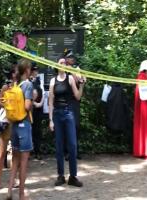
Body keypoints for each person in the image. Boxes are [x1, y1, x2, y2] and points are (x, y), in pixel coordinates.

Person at [48, 58, 85, 187]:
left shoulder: (70, 79)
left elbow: (78, 96)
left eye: (64, 63)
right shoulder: (53, 81)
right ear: (57, 66)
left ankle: (73, 177)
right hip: (57, 115)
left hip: (68, 113)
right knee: (59, 147)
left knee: (73, 145)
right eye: (61, 63)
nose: (63, 64)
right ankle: (60, 176)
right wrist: (51, 120)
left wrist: (82, 84)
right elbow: (50, 102)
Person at [7, 59, 33, 200]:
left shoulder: (16, 85)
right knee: (23, 162)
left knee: (15, 160)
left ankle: (9, 191)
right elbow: (27, 106)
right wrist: (32, 99)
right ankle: (22, 195)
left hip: (14, 126)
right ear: (27, 70)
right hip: (24, 125)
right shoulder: (28, 85)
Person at [0, 64, 18, 191]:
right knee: (2, 153)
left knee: (15, 152)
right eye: (17, 71)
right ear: (13, 74)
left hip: (16, 123)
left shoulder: (21, 87)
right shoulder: (6, 87)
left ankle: (14, 180)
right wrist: (7, 104)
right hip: (6, 123)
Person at [30, 63, 44, 160]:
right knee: (30, 129)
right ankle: (30, 151)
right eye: (34, 70)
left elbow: (43, 93)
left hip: (39, 109)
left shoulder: (40, 80)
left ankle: (37, 151)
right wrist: (34, 103)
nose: (36, 72)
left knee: (38, 130)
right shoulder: (28, 81)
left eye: (36, 70)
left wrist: (40, 103)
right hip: (30, 108)